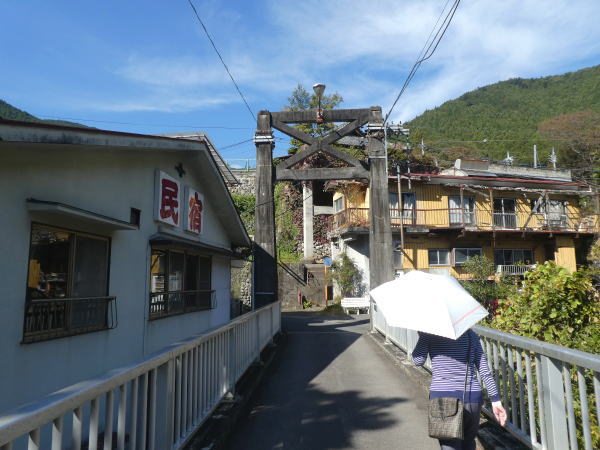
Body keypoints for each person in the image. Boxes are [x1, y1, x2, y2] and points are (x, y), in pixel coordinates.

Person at [412, 329, 507, 450]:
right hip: (471, 397)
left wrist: (422, 336)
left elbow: (418, 361)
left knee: (450, 445)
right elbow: (484, 370)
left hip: (443, 398)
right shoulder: (470, 334)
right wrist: (496, 400)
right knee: (468, 443)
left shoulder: (429, 333)